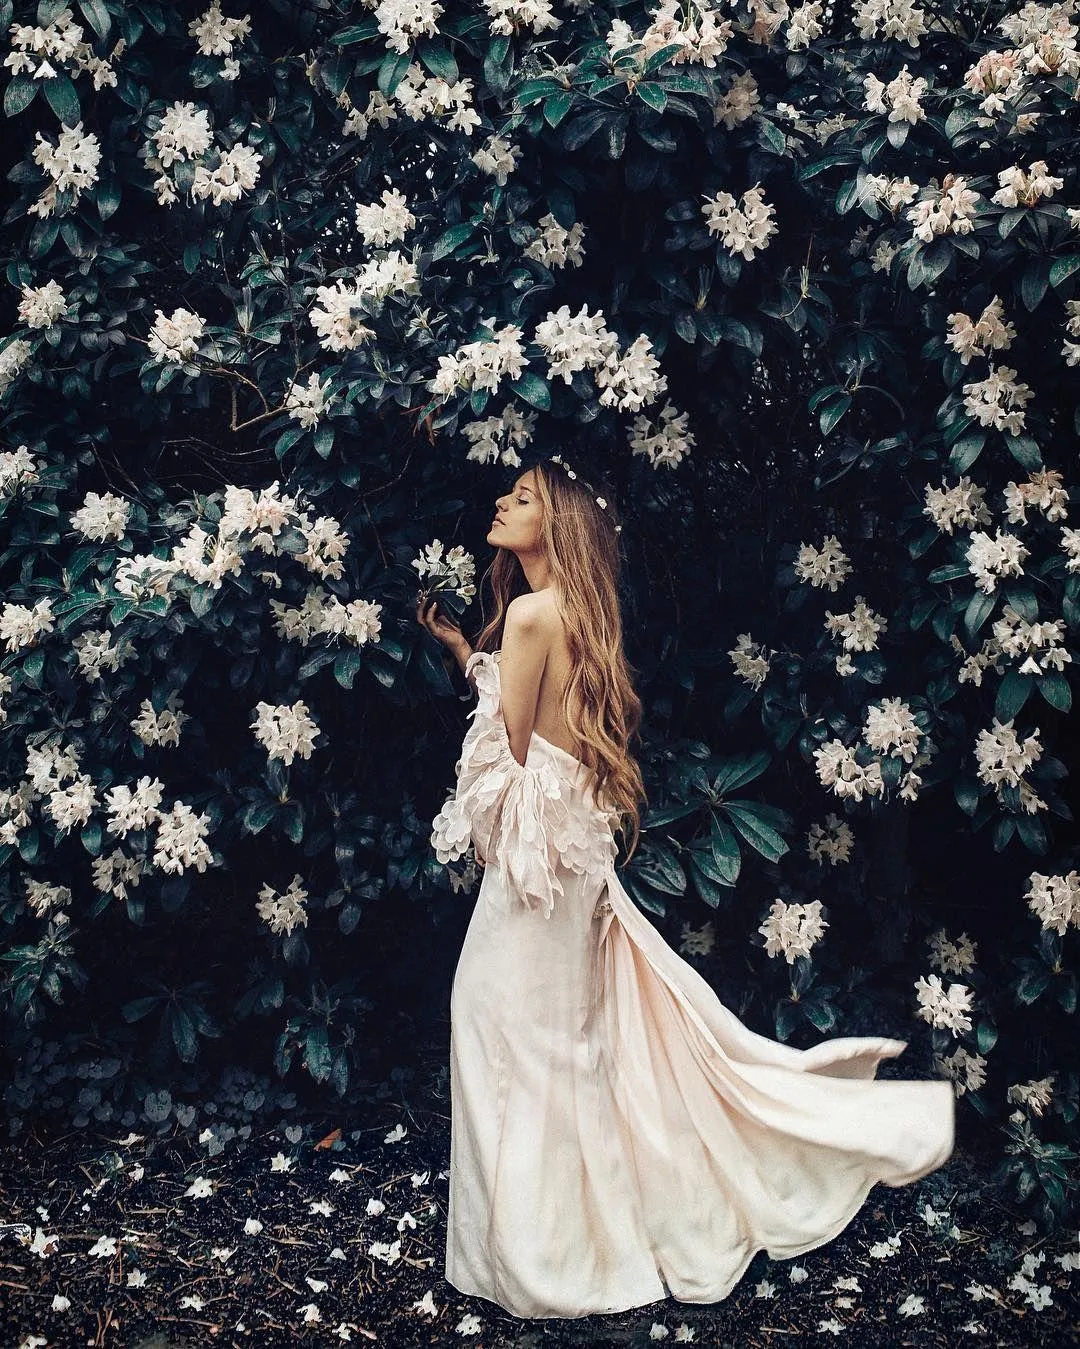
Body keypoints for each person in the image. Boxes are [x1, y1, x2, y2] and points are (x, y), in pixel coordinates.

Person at [415, 457, 955, 1321]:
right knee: (563, 1049)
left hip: (537, 870)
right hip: (576, 867)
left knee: (494, 1025)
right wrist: (466, 655)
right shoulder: (578, 617)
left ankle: (534, 1258)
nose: (499, 502)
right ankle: (569, 1242)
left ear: (553, 527)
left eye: (520, 498)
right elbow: (550, 724)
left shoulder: (524, 614)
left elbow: (508, 755)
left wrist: (481, 796)